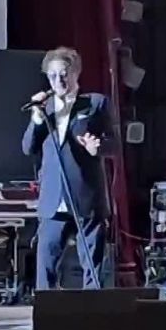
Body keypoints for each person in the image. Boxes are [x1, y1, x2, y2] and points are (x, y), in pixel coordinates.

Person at [22, 47, 114, 291]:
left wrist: (98, 147)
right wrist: (36, 118)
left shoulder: (95, 103)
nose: (58, 81)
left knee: (92, 266)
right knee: (46, 264)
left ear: (75, 73)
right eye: (52, 76)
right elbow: (28, 147)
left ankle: (93, 311)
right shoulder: (45, 108)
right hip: (53, 198)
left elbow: (115, 144)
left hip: (86, 195)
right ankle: (46, 312)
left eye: (64, 74)